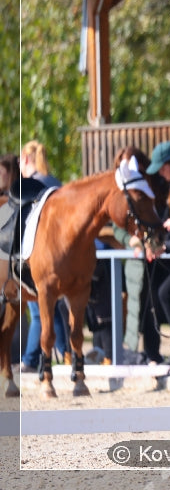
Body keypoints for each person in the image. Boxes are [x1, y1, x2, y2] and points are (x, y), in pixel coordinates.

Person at [113, 141, 170, 363]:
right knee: (141, 305)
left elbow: (164, 214)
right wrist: (131, 239)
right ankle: (149, 353)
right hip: (138, 258)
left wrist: (156, 240)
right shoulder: (122, 190)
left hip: (162, 252)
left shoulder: (159, 185)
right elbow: (118, 226)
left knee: (161, 299)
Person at [19, 140, 71, 371]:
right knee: (53, 309)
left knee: (38, 310)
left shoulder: (30, 186)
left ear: (26, 159)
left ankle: (30, 360)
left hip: (36, 254)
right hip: (61, 254)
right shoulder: (54, 182)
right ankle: (67, 353)